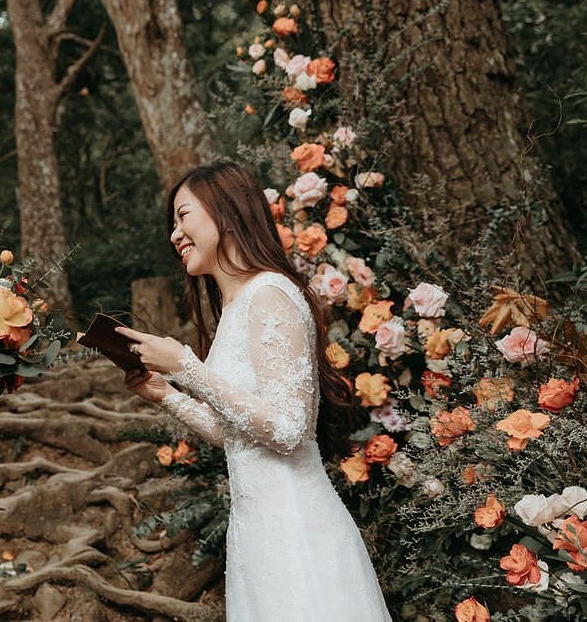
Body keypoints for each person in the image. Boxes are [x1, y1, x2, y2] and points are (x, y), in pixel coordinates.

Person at [117, 160, 391, 621]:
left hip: (296, 527)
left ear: (225, 211)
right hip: (257, 533)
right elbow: (238, 436)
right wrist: (167, 395)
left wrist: (186, 366)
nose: (174, 234)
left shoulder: (270, 294)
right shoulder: (236, 307)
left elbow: (288, 429)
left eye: (183, 216)